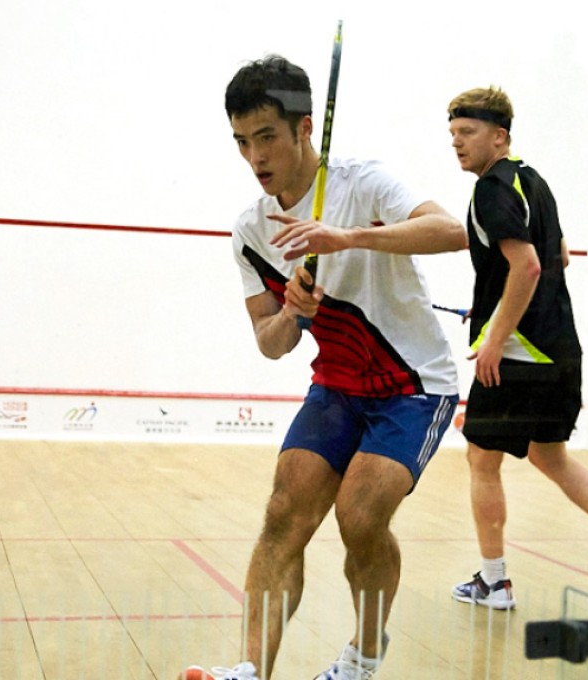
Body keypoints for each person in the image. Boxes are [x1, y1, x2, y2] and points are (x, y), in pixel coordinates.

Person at [180, 55, 466, 680]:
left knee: (360, 516)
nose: (255, 157)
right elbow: (270, 342)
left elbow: (451, 230)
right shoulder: (251, 231)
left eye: (266, 137)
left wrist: (348, 237)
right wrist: (291, 312)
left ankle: (364, 657)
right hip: (337, 384)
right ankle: (250, 671)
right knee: (286, 510)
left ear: (305, 128)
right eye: (241, 142)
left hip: (413, 385)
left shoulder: (363, 184)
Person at [446, 86, 588, 611]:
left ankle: (494, 583)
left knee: (481, 459)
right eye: (452, 134)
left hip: (518, 355)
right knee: (551, 456)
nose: (457, 143)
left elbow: (529, 266)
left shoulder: (492, 189)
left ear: (499, 136)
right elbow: (558, 255)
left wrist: (497, 337)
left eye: (468, 133)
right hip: (562, 351)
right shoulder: (534, 182)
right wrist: (499, 304)